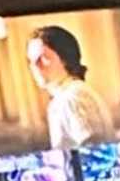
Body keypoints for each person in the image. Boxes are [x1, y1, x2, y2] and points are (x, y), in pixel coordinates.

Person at [26, 23, 104, 173]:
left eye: (43, 58)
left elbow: (92, 152)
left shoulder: (73, 97)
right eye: (31, 61)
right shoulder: (64, 97)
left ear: (65, 59)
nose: (35, 67)